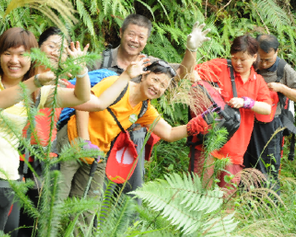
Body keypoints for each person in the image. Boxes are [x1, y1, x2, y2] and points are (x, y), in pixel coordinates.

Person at [0, 28, 94, 234]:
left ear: (32, 58)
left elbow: (81, 97)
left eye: (22, 55)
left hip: (1, 178)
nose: (14, 60)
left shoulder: (40, 92)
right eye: (8, 53)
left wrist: (81, 70)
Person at [57, 60, 213, 232]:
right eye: (155, 80)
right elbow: (82, 104)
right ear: (145, 74)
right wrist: (84, 142)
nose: (157, 87)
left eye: (163, 86)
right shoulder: (117, 84)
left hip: (97, 156)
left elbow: (169, 133)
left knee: (87, 211)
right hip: (72, 142)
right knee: (55, 200)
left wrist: (194, 126)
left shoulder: (144, 109)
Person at [87, 14, 210, 195]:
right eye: (131, 34)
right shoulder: (99, 61)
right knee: (94, 191)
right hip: (98, 134)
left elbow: (183, 74)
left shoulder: (151, 65)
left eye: (141, 37)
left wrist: (191, 49)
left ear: (146, 40)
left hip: (133, 136)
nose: (135, 40)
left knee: (128, 195)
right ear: (121, 33)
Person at [192, 35, 273, 195]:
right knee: (198, 194)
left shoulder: (258, 81)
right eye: (234, 58)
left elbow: (267, 108)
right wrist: (207, 91)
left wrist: (247, 103)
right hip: (207, 144)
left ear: (254, 57)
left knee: (226, 201)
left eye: (243, 59)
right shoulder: (221, 66)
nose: (238, 63)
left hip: (235, 151)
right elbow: (193, 73)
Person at [243, 34, 296, 193]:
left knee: (268, 167)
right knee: (245, 164)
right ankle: (245, 202)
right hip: (247, 122)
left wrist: (282, 88)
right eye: (260, 59)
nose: (263, 64)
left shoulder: (283, 69)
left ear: (277, 52)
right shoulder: (249, 62)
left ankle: (269, 203)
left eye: (268, 60)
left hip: (270, 125)